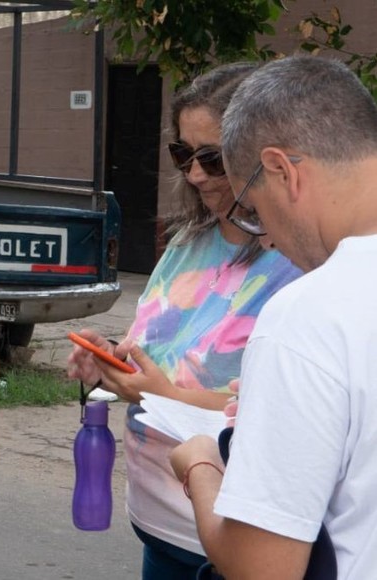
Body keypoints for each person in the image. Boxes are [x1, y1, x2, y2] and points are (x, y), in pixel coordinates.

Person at [66, 62, 301, 579]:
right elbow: (157, 348)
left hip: (228, 537)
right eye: (183, 154)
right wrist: (108, 357)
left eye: (213, 159)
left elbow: (286, 410)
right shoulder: (188, 241)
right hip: (158, 523)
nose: (194, 174)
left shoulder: (299, 258)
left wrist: (156, 394)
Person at [169, 54, 377, 579]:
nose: (268, 239)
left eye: (254, 210)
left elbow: (263, 569)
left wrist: (199, 465)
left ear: (282, 170)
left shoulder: (309, 314)